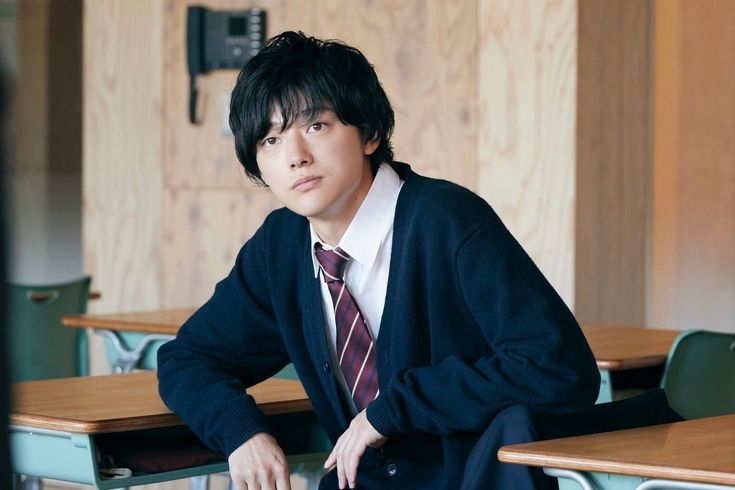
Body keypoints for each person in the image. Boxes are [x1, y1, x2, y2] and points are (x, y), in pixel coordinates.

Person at [157, 31, 601, 489]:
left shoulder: (445, 221)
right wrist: (242, 433)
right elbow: (188, 360)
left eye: (316, 126)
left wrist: (394, 409)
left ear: (368, 133)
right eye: (271, 140)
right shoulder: (282, 246)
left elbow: (558, 368)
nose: (295, 157)